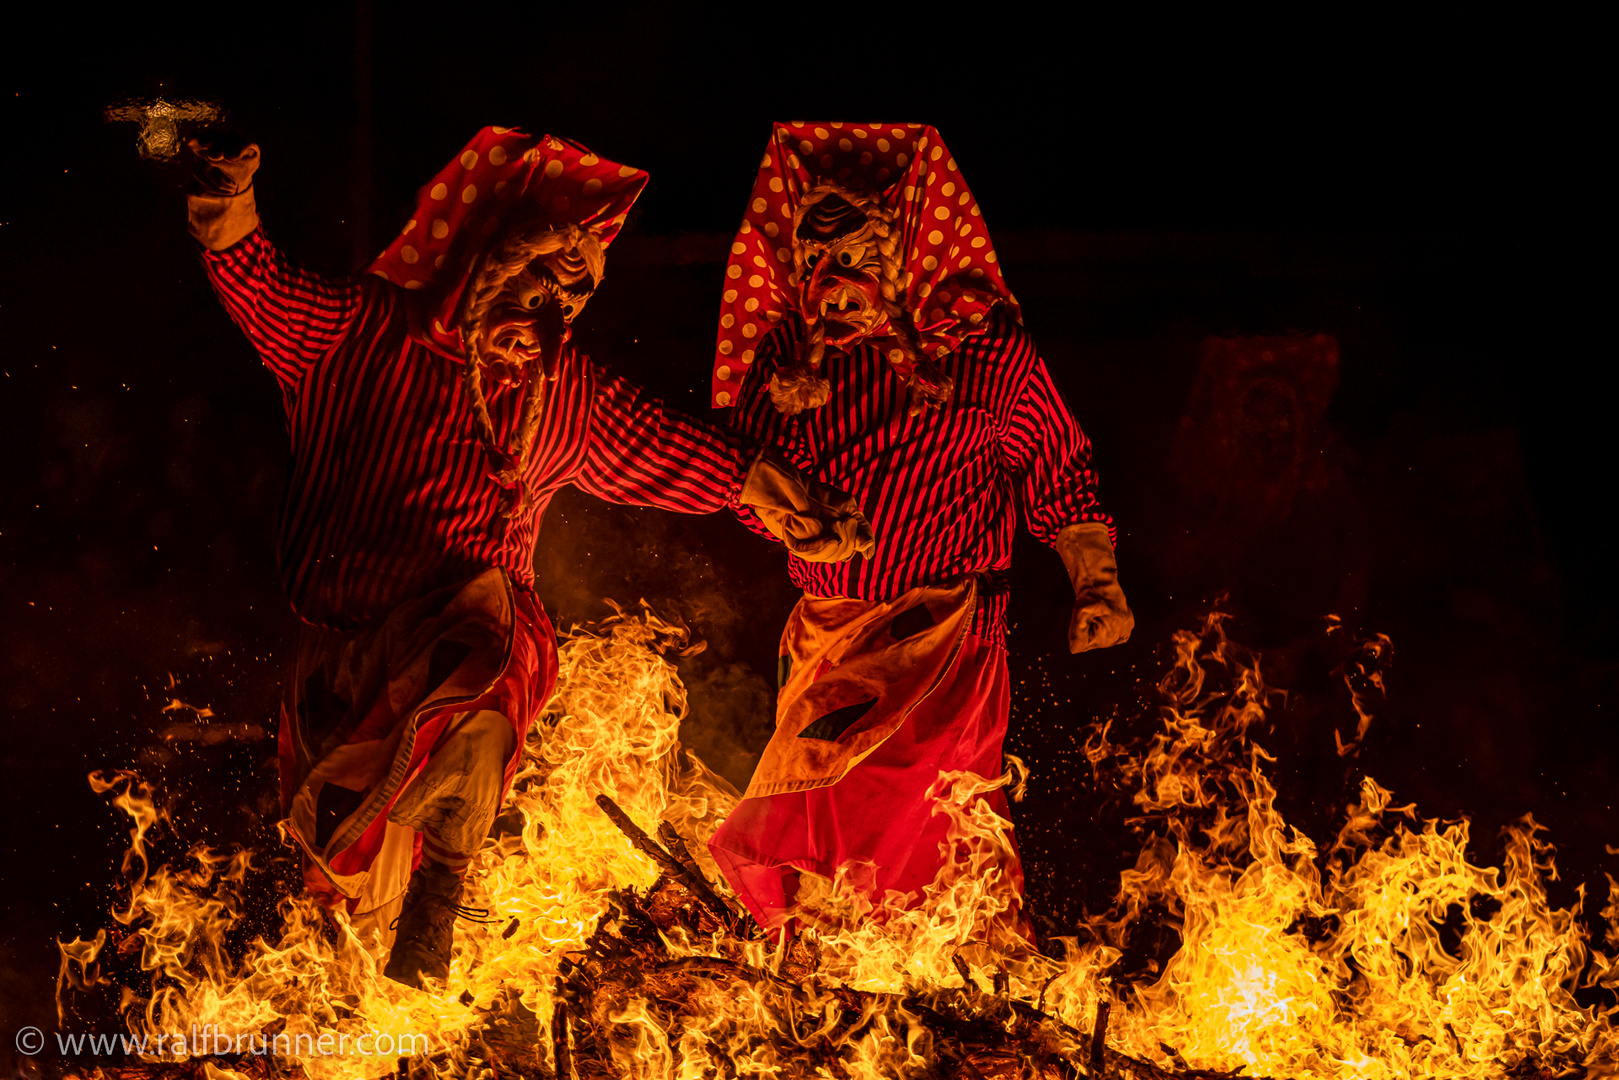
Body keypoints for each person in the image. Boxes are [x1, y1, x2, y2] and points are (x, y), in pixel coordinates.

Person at [183, 125, 872, 989]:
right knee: (340, 888)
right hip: (344, 649)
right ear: (482, 256)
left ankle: (445, 889)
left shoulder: (566, 391)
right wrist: (226, 200)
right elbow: (258, 285)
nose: (554, 307)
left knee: (487, 647)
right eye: (542, 276)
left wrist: (791, 502)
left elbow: (680, 450)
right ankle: (344, 995)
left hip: (472, 633)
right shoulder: (358, 332)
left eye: (575, 294)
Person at [705, 122, 1132, 943]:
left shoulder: (981, 355)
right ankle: (822, 970)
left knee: (919, 801)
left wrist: (1097, 581)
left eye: (856, 257)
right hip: (826, 637)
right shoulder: (784, 368)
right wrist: (785, 517)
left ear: (901, 257)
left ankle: (948, 962)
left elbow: (1056, 467)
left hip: (944, 636)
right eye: (817, 263)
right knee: (807, 803)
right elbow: (739, 485)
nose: (836, 284)